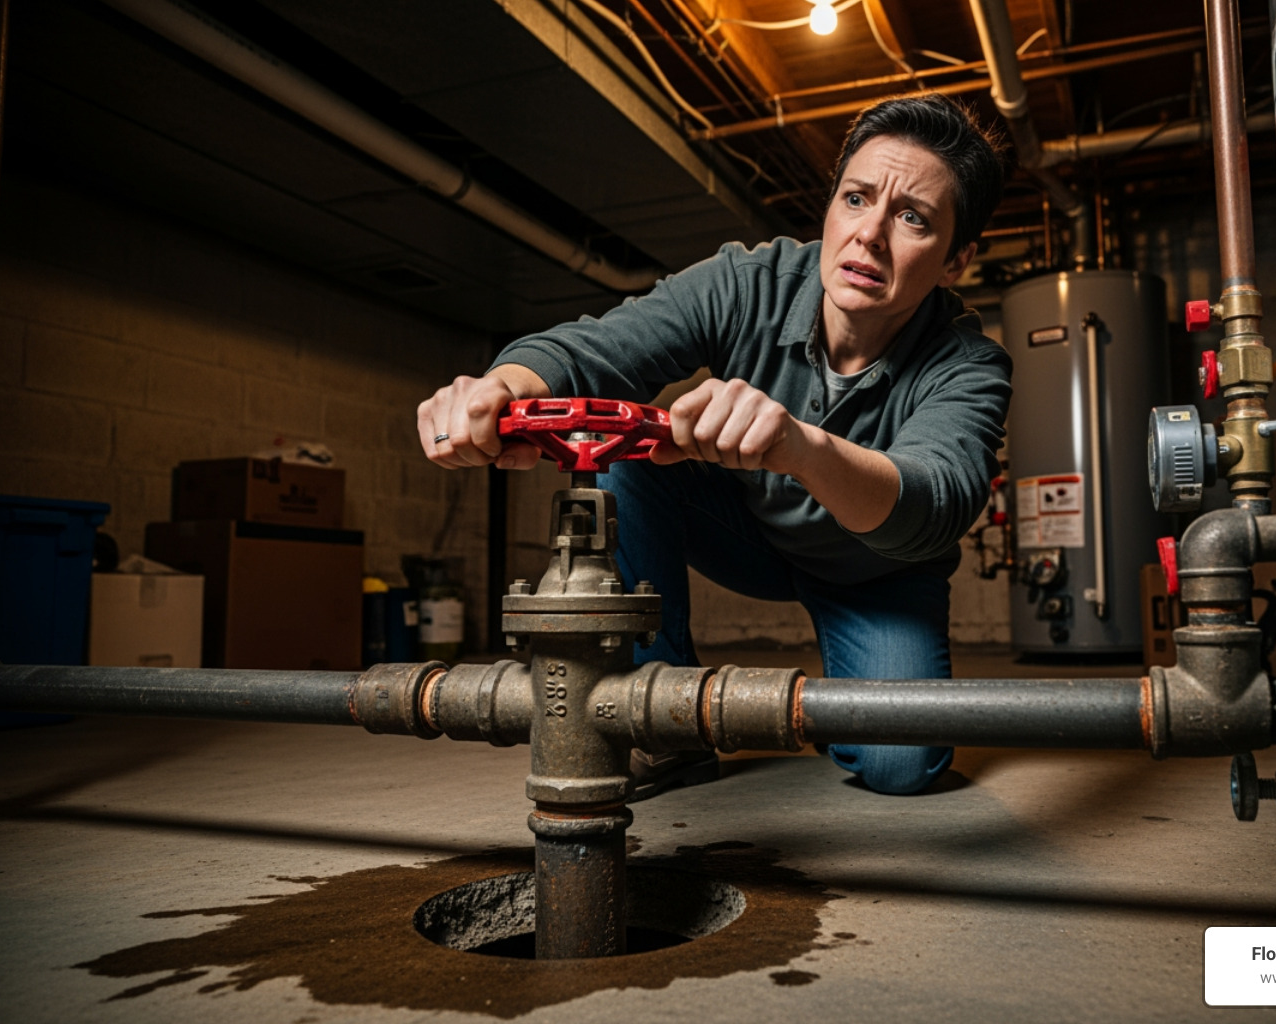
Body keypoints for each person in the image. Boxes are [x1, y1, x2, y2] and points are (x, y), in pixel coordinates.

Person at [418, 94, 1012, 798]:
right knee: (633, 449)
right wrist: (495, 388)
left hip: (878, 572)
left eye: (913, 218)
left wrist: (798, 446)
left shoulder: (970, 365)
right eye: (856, 199)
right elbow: (599, 347)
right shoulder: (748, 282)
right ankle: (664, 730)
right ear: (830, 208)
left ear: (955, 260)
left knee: (899, 767)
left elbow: (933, 505)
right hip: (750, 532)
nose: (869, 236)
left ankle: (858, 704)